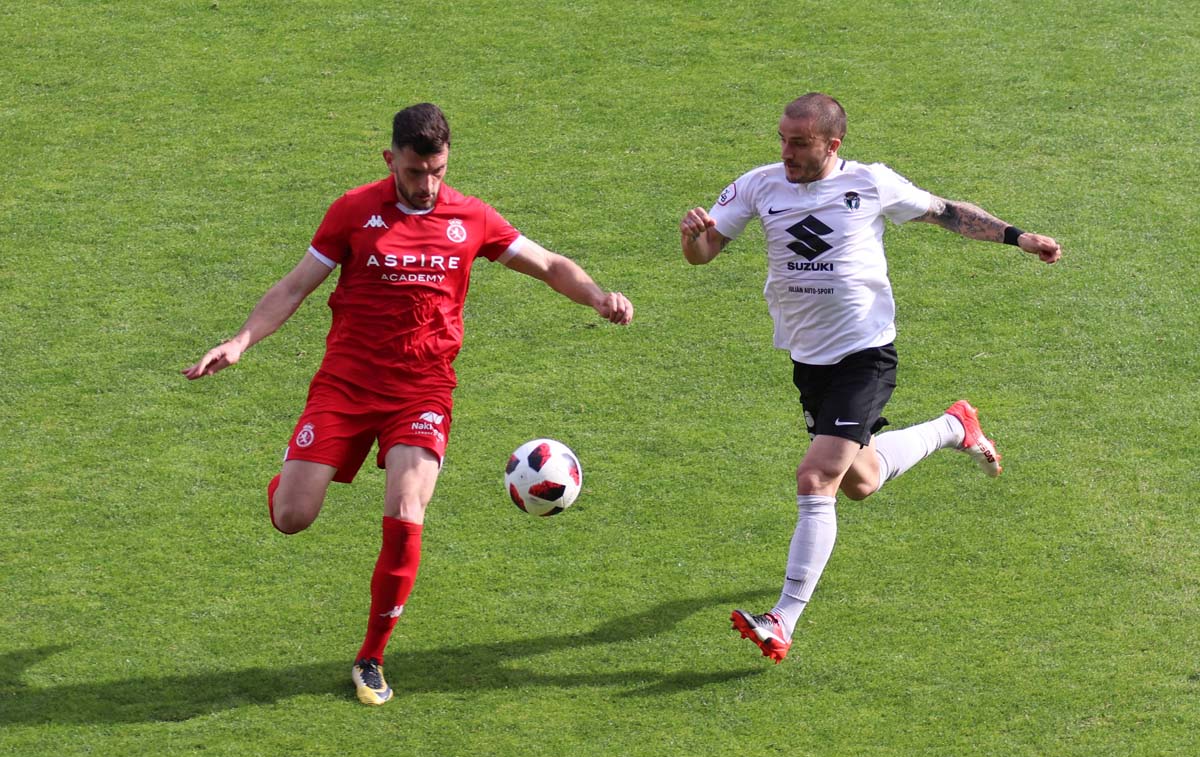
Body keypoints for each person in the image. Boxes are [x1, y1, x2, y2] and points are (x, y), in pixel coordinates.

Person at [184, 103, 633, 704]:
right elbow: (294, 286)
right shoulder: (353, 211)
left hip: (422, 389)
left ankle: (371, 656)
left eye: (437, 172)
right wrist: (241, 340)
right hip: (345, 383)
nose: (427, 185)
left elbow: (549, 264)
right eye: (416, 172)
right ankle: (289, 482)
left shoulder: (469, 217)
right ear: (389, 159)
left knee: (406, 508)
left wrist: (599, 297)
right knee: (293, 517)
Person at [679, 92, 1061, 664]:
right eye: (782, 138)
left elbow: (948, 212)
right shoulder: (759, 185)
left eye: (800, 143)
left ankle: (783, 617)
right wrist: (692, 235)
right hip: (809, 361)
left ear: (832, 145)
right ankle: (954, 427)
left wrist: (1019, 237)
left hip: (865, 356)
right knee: (859, 480)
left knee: (816, 480)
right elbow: (705, 251)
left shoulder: (871, 183)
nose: (786, 151)